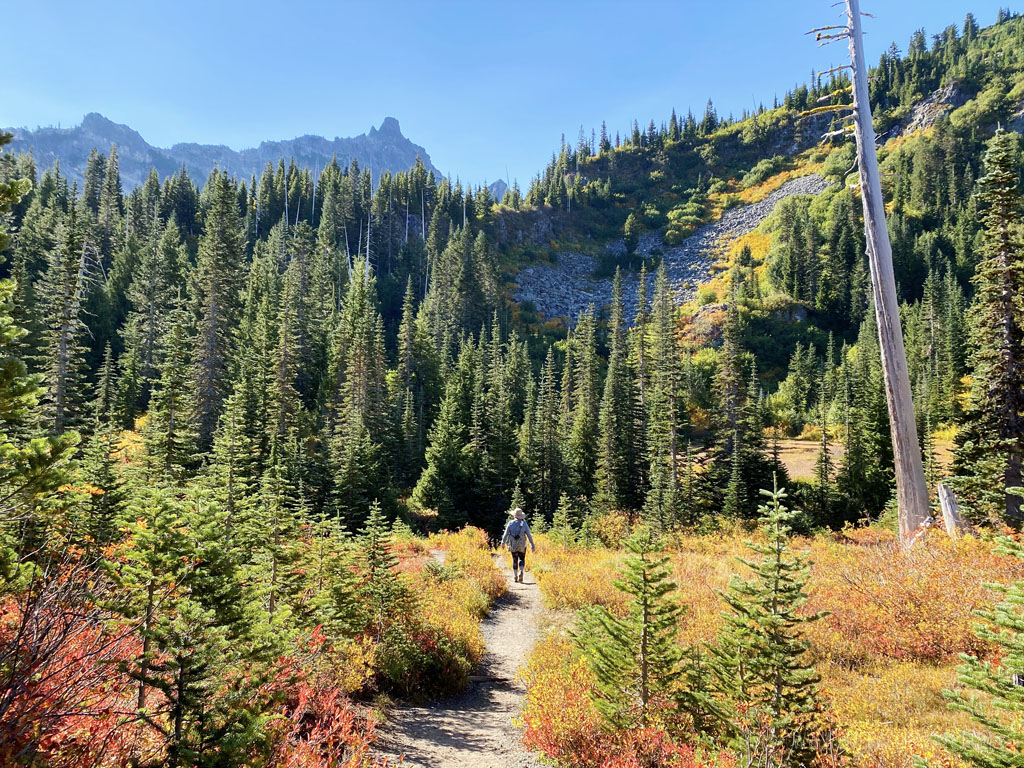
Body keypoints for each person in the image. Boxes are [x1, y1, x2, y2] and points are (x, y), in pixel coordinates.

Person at [501, 507, 535, 583]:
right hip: (522, 544)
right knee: (522, 558)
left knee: (514, 559)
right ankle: (521, 571)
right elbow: (529, 535)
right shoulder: (524, 524)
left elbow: (506, 534)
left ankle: (515, 576)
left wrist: (503, 542)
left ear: (514, 515)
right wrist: (532, 545)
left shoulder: (510, 523)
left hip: (513, 544)